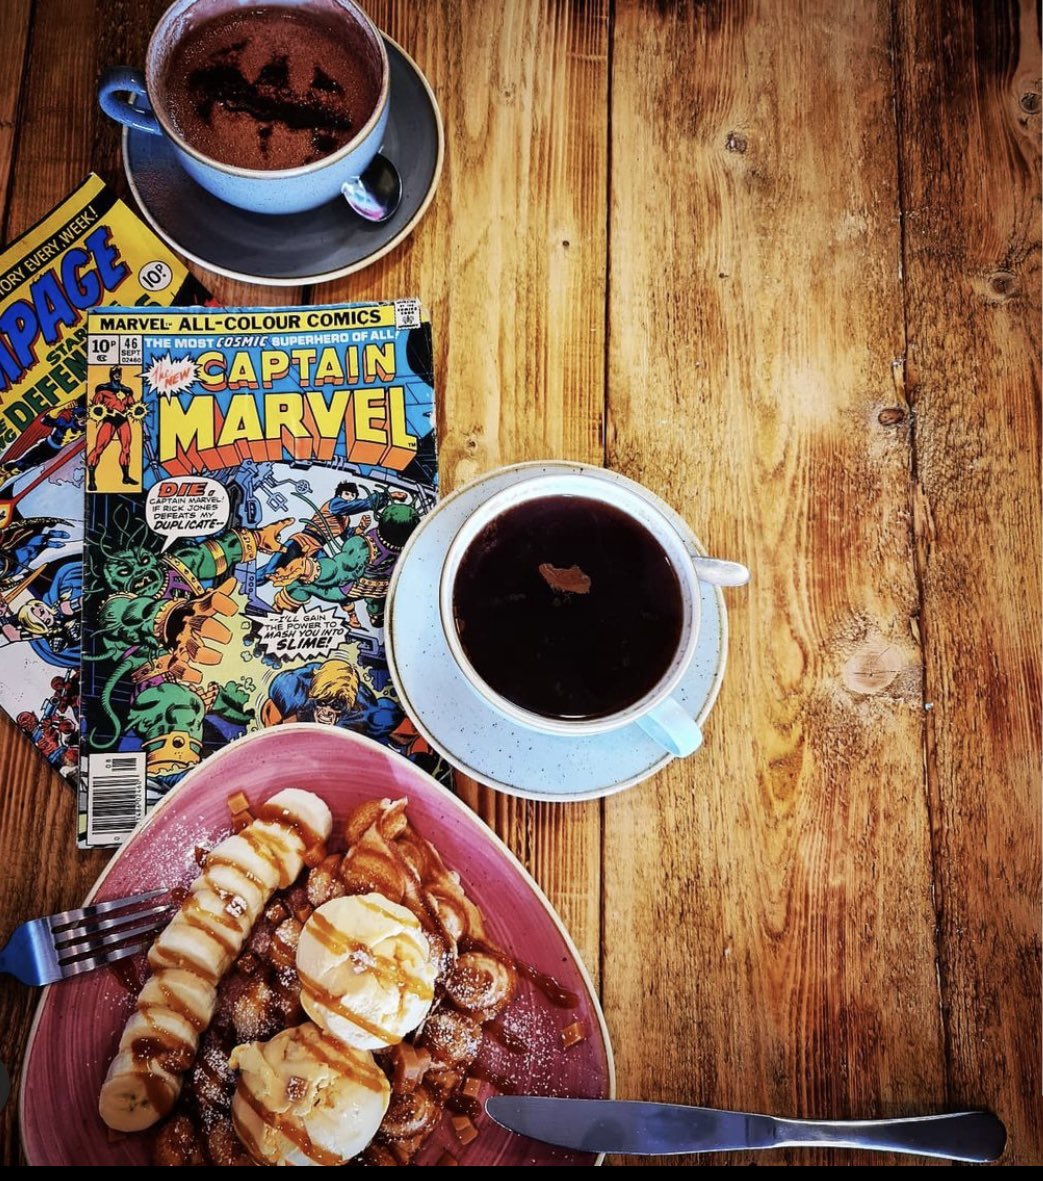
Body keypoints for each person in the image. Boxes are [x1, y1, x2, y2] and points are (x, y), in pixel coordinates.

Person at [86, 365, 138, 490]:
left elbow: (133, 405)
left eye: (119, 373)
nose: (117, 375)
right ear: (111, 374)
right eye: (115, 373)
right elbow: (94, 407)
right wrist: (107, 413)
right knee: (98, 449)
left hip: (123, 421)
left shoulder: (126, 391)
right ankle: (92, 480)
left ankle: (126, 477)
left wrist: (135, 410)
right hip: (109, 421)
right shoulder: (103, 390)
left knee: (126, 449)